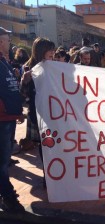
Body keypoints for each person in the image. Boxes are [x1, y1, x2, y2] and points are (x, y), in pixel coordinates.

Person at [20, 37, 55, 185]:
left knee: (55, 145)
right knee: (44, 146)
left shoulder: (54, 66)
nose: (53, 53)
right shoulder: (28, 69)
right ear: (41, 52)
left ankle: (56, 174)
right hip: (38, 114)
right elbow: (23, 94)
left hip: (54, 113)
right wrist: (25, 81)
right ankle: (48, 176)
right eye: (50, 51)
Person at [0, 27, 25, 212]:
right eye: (7, 40)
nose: (10, 43)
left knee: (3, 159)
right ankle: (8, 197)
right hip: (2, 119)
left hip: (8, 118)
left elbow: (9, 89)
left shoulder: (4, 62)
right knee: (1, 162)